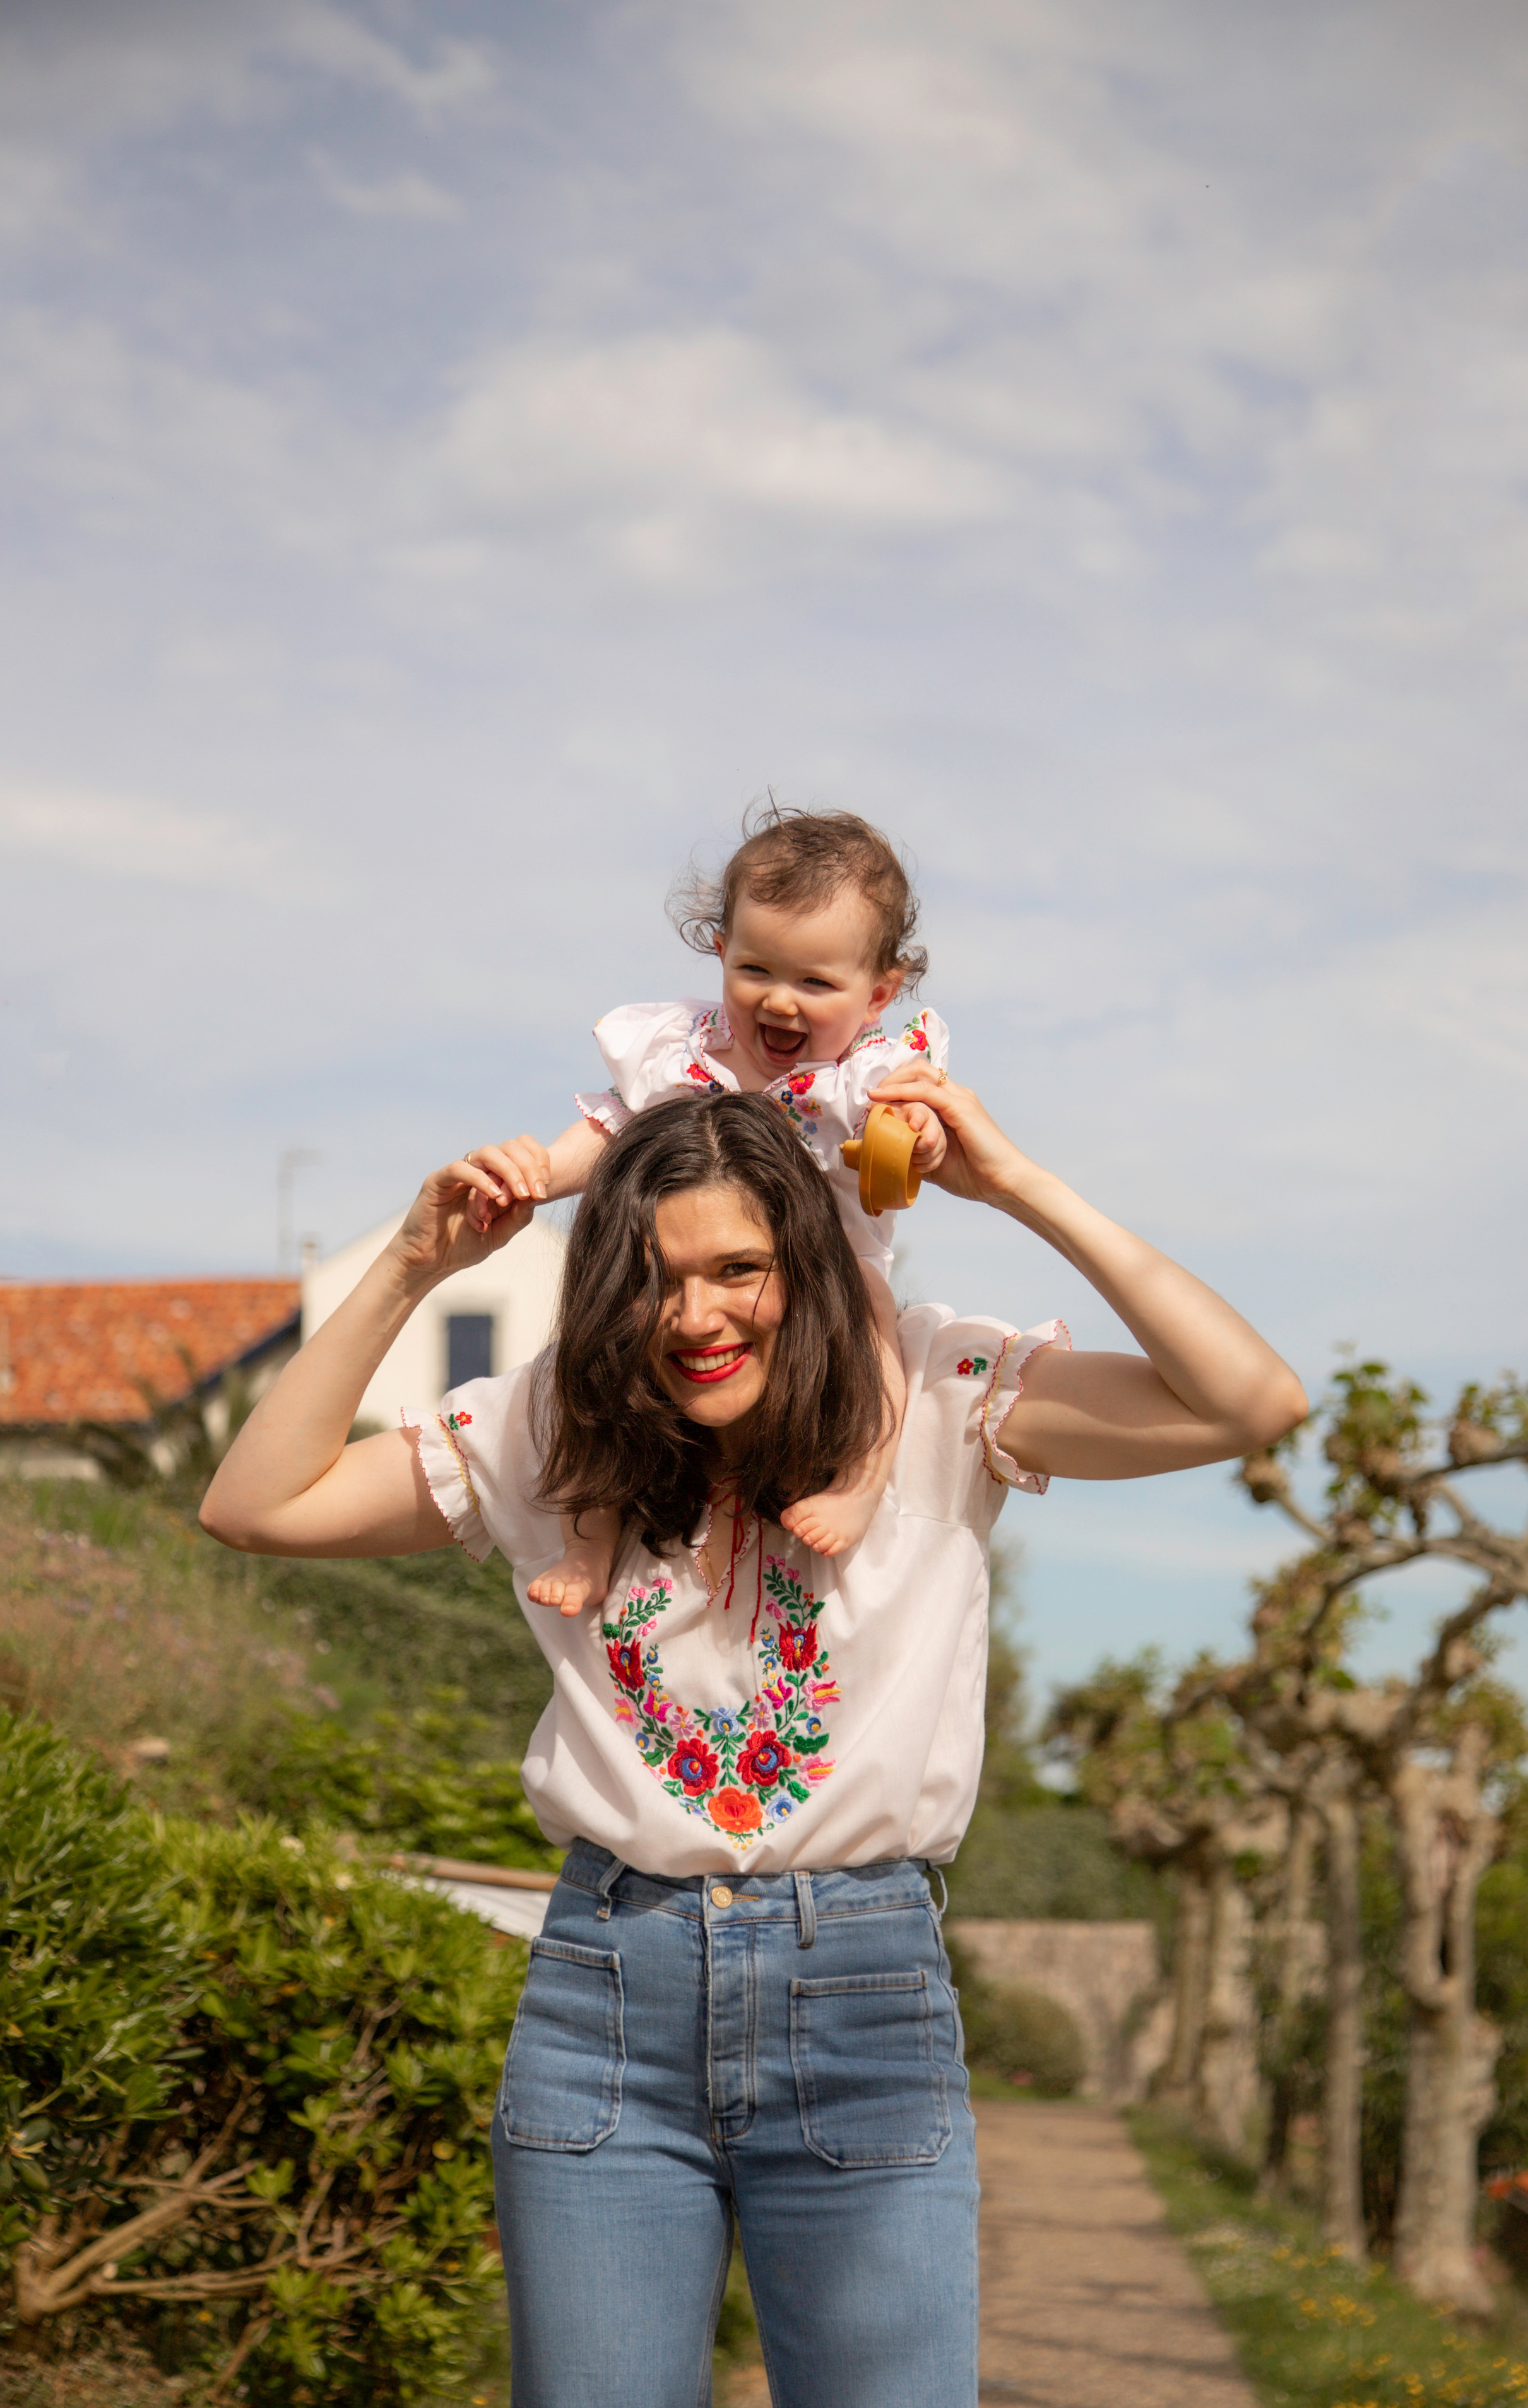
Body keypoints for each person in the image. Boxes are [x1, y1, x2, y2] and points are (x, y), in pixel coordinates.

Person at [200, 1072, 1306, 2408]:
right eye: (653, 1279)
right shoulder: (546, 1432)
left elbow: (1248, 1402)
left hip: (862, 2000)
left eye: (739, 1269)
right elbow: (255, 1507)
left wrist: (1017, 1186)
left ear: (811, 1264)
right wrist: (408, 1268)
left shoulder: (942, 1393)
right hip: (605, 1999)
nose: (695, 1317)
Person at [458, 804, 952, 1615]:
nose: (780, 1002)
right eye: (756, 970)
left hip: (830, 1263)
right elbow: (613, 1127)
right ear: (721, 952)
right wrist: (537, 1177)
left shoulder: (869, 1075)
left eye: (816, 983)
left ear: (878, 994)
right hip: (697, 1266)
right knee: (603, 1350)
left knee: (876, 1335)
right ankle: (588, 1536)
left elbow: (912, 1132)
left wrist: (919, 1139)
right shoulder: (685, 1052)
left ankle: (862, 1484)